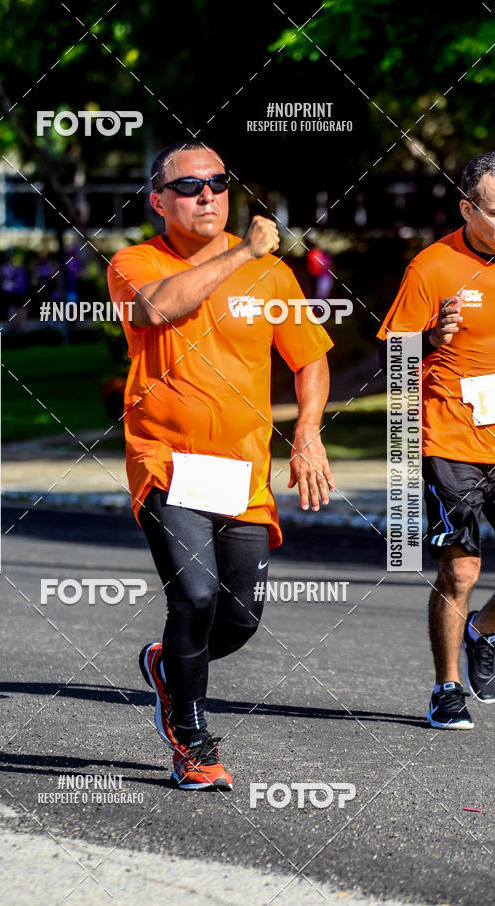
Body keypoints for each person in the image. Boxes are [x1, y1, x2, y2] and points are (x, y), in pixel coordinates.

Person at [107, 141, 334, 790]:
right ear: (158, 201)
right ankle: (193, 739)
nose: (206, 194)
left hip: (242, 472)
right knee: (196, 596)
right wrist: (240, 252)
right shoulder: (134, 263)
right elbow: (158, 308)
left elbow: (309, 357)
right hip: (167, 462)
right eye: (189, 187)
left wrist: (309, 431)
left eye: (217, 182)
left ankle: (167, 666)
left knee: (239, 617)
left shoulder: (271, 276)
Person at [377, 151, 495, 730]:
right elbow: (389, 358)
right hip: (451, 436)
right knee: (461, 570)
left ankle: (484, 632)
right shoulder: (433, 267)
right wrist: (428, 341)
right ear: (467, 208)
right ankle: (446, 689)